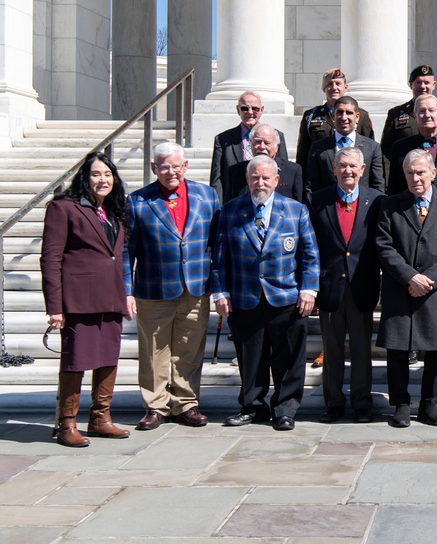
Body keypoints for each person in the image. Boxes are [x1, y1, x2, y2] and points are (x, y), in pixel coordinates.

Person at [212, 155, 319, 431]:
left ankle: (285, 409)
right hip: (245, 296)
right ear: (247, 180)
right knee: (251, 357)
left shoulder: (296, 211)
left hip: (286, 296)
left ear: (276, 180)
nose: (260, 182)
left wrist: (309, 288)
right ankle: (252, 406)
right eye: (255, 177)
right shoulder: (230, 211)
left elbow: (310, 255)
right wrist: (220, 292)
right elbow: (219, 257)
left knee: (288, 357)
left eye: (265, 177)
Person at [124, 142, 221, 431]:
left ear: (186, 166)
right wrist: (126, 290)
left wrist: (218, 287)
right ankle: (155, 405)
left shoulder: (207, 196)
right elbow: (128, 251)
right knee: (154, 351)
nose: (170, 172)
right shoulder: (138, 201)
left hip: (195, 288)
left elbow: (217, 245)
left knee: (189, 350)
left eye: (176, 166)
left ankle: (186, 403)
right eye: (164, 166)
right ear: (154, 168)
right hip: (154, 289)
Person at [41, 152, 132, 447]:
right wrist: (55, 307)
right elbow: (50, 259)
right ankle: (67, 422)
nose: (102, 180)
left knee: (108, 359)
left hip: (111, 298)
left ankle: (100, 418)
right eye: (96, 174)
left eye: (107, 174)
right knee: (75, 361)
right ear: (85, 177)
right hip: (78, 300)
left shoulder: (114, 212)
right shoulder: (63, 208)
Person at [376, 149, 437, 428]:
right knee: (398, 350)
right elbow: (384, 246)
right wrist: (409, 277)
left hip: (435, 290)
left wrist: (428, 279)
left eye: (421, 172)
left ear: (433, 173)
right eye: (410, 173)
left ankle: (429, 404)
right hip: (400, 287)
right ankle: (401, 405)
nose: (416, 178)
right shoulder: (390, 205)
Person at [309, 147, 385, 424]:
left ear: (363, 170)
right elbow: (312, 247)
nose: (348, 171)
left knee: (362, 350)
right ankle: (333, 402)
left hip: (362, 286)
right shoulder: (317, 201)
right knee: (332, 349)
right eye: (342, 166)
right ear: (334, 169)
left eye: (353, 166)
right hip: (330, 287)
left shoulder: (377, 201)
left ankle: (362, 402)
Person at [210, 91, 288, 202]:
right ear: (238, 110)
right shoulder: (223, 140)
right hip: (236, 201)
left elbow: (283, 170)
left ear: (261, 110)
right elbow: (216, 179)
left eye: (255, 108)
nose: (250, 112)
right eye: (244, 108)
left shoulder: (276, 136)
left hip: (268, 199)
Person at [387, 94, 437, 199]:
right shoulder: (400, 148)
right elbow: (393, 190)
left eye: (432, 110)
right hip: (408, 212)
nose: (427, 115)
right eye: (422, 111)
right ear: (415, 115)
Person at [305, 95, 385, 196]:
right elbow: (311, 186)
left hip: (363, 208)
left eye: (349, 113)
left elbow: (378, 185)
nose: (344, 117)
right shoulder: (318, 148)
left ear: (357, 117)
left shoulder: (372, 147)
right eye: (339, 112)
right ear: (333, 116)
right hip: (328, 208)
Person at [296, 68, 374, 169]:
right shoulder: (311, 116)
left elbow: (369, 150)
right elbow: (303, 153)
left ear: (345, 87)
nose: (334, 88)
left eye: (338, 84)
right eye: (329, 84)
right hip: (322, 174)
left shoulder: (362, 115)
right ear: (323, 89)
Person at [380, 65, 437, 156]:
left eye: (427, 82)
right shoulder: (395, 114)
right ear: (411, 85)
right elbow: (386, 150)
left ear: (434, 85)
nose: (422, 86)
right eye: (418, 82)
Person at [226, 123, 304, 203]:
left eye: (267, 143)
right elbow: (229, 205)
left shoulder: (292, 170)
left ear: (276, 146)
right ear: (251, 144)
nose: (262, 147)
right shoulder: (236, 171)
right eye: (257, 142)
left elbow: (298, 205)